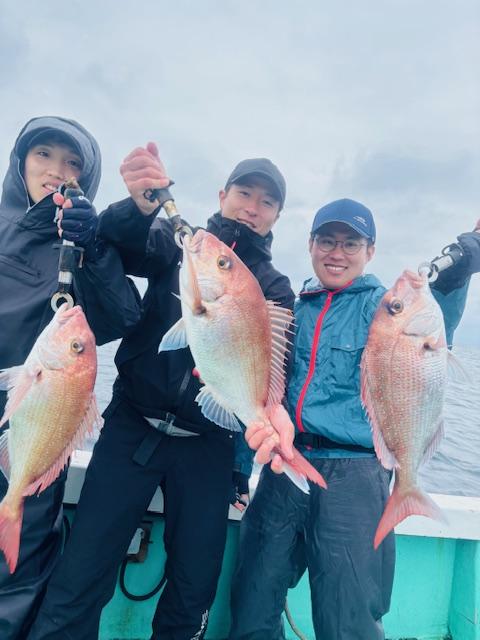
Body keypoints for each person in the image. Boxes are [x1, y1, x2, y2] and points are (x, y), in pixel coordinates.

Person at [27, 146, 295, 640]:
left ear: (277, 215)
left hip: (207, 443)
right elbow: (123, 242)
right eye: (244, 193)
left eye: (267, 201)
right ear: (223, 195)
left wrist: (246, 453)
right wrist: (139, 205)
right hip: (133, 423)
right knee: (83, 567)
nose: (252, 207)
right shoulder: (180, 244)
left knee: (195, 584)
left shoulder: (275, 288)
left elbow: (269, 373)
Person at [228, 198, 479, 640]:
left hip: (357, 475)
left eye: (351, 243)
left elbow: (433, 322)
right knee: (253, 595)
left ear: (370, 251)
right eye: (327, 241)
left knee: (348, 615)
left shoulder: (384, 309)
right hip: (286, 465)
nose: (337, 253)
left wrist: (459, 269)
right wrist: (238, 467)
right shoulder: (294, 308)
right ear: (310, 244)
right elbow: (259, 389)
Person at [0, 115, 142, 640]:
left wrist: (94, 247)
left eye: (72, 163)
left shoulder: (83, 247)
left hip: (36, 426)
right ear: (20, 163)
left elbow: (122, 316)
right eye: (44, 155)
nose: (56, 171)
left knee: (15, 571)